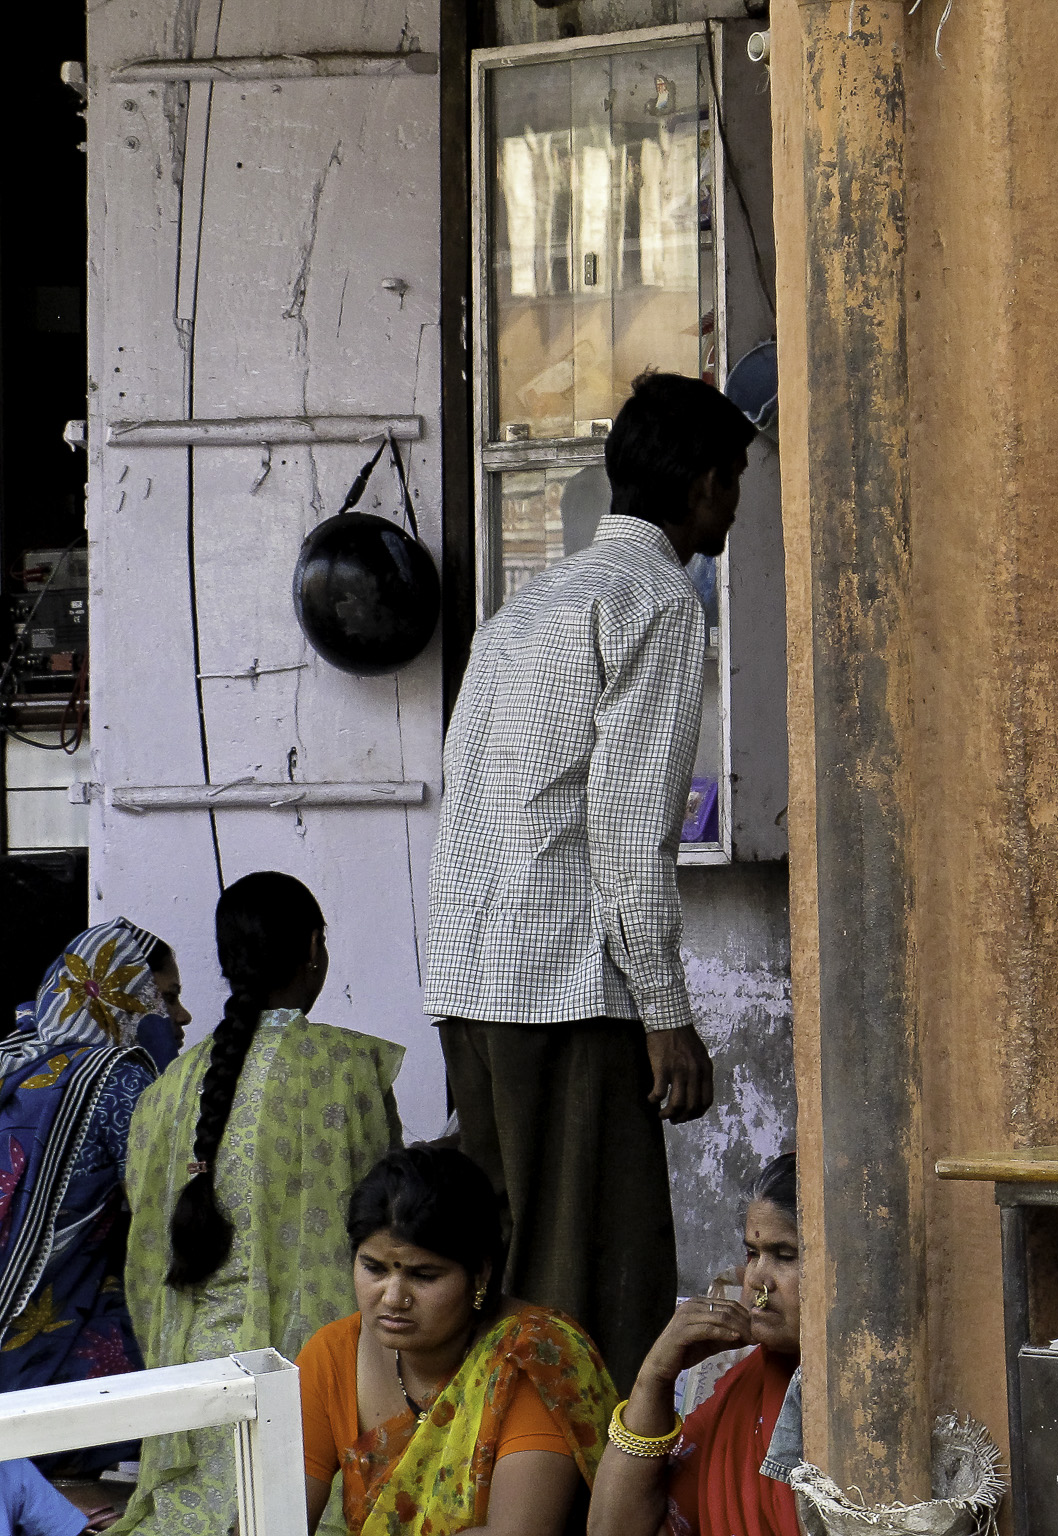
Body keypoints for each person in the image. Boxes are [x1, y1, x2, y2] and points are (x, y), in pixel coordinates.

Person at [425, 369, 756, 1384]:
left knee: (495, 1275)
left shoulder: (532, 605)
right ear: (704, 486)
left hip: (472, 976)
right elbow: (625, 832)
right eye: (734, 481)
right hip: (565, 991)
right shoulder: (655, 601)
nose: (734, 505)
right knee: (584, 1287)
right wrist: (665, 1010)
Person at [114, 873, 403, 1536]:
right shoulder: (351, 1067)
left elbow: (144, 1258)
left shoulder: (170, 1088)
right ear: (313, 949)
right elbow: (393, 1232)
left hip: (193, 1400)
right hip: (317, 1388)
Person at [297, 1145, 615, 1536]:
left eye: (424, 1275)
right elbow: (273, 1518)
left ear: (480, 1274)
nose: (393, 1297)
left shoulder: (532, 1356)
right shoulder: (333, 1353)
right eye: (374, 1268)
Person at [0, 921, 190, 1471]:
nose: (181, 1017)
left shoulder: (19, 1056)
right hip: (26, 1353)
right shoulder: (113, 1079)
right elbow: (170, 1201)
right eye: (168, 998)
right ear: (121, 996)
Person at [589, 1153, 802, 1536]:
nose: (756, 1279)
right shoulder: (742, 1394)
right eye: (753, 1254)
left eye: (784, 1255)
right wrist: (653, 1379)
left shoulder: (870, 1396)